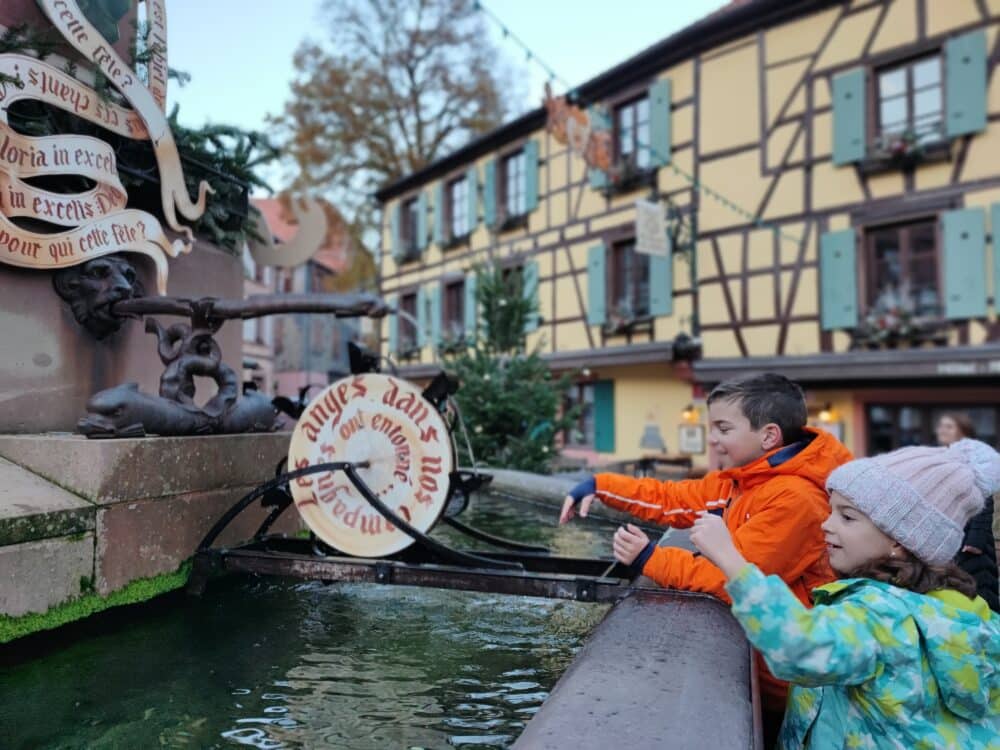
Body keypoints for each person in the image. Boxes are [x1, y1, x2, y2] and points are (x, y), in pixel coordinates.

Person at [559, 373, 852, 731]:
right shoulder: (744, 477)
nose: (712, 440)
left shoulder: (796, 499)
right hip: (766, 671)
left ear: (769, 435)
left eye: (723, 429)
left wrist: (650, 559)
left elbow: (735, 579)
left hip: (792, 688)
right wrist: (601, 485)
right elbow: (674, 500)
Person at [690, 439, 1000, 748]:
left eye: (847, 517)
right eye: (831, 511)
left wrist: (731, 560)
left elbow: (800, 648)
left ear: (899, 541)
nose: (826, 525)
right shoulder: (952, 609)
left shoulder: (881, 614)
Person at [936, 412, 999, 611]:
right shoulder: (942, 457)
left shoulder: (974, 456)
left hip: (970, 539)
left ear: (963, 432)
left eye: (949, 426)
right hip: (949, 534)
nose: (942, 430)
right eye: (942, 426)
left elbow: (984, 495)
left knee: (979, 589)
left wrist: (976, 540)